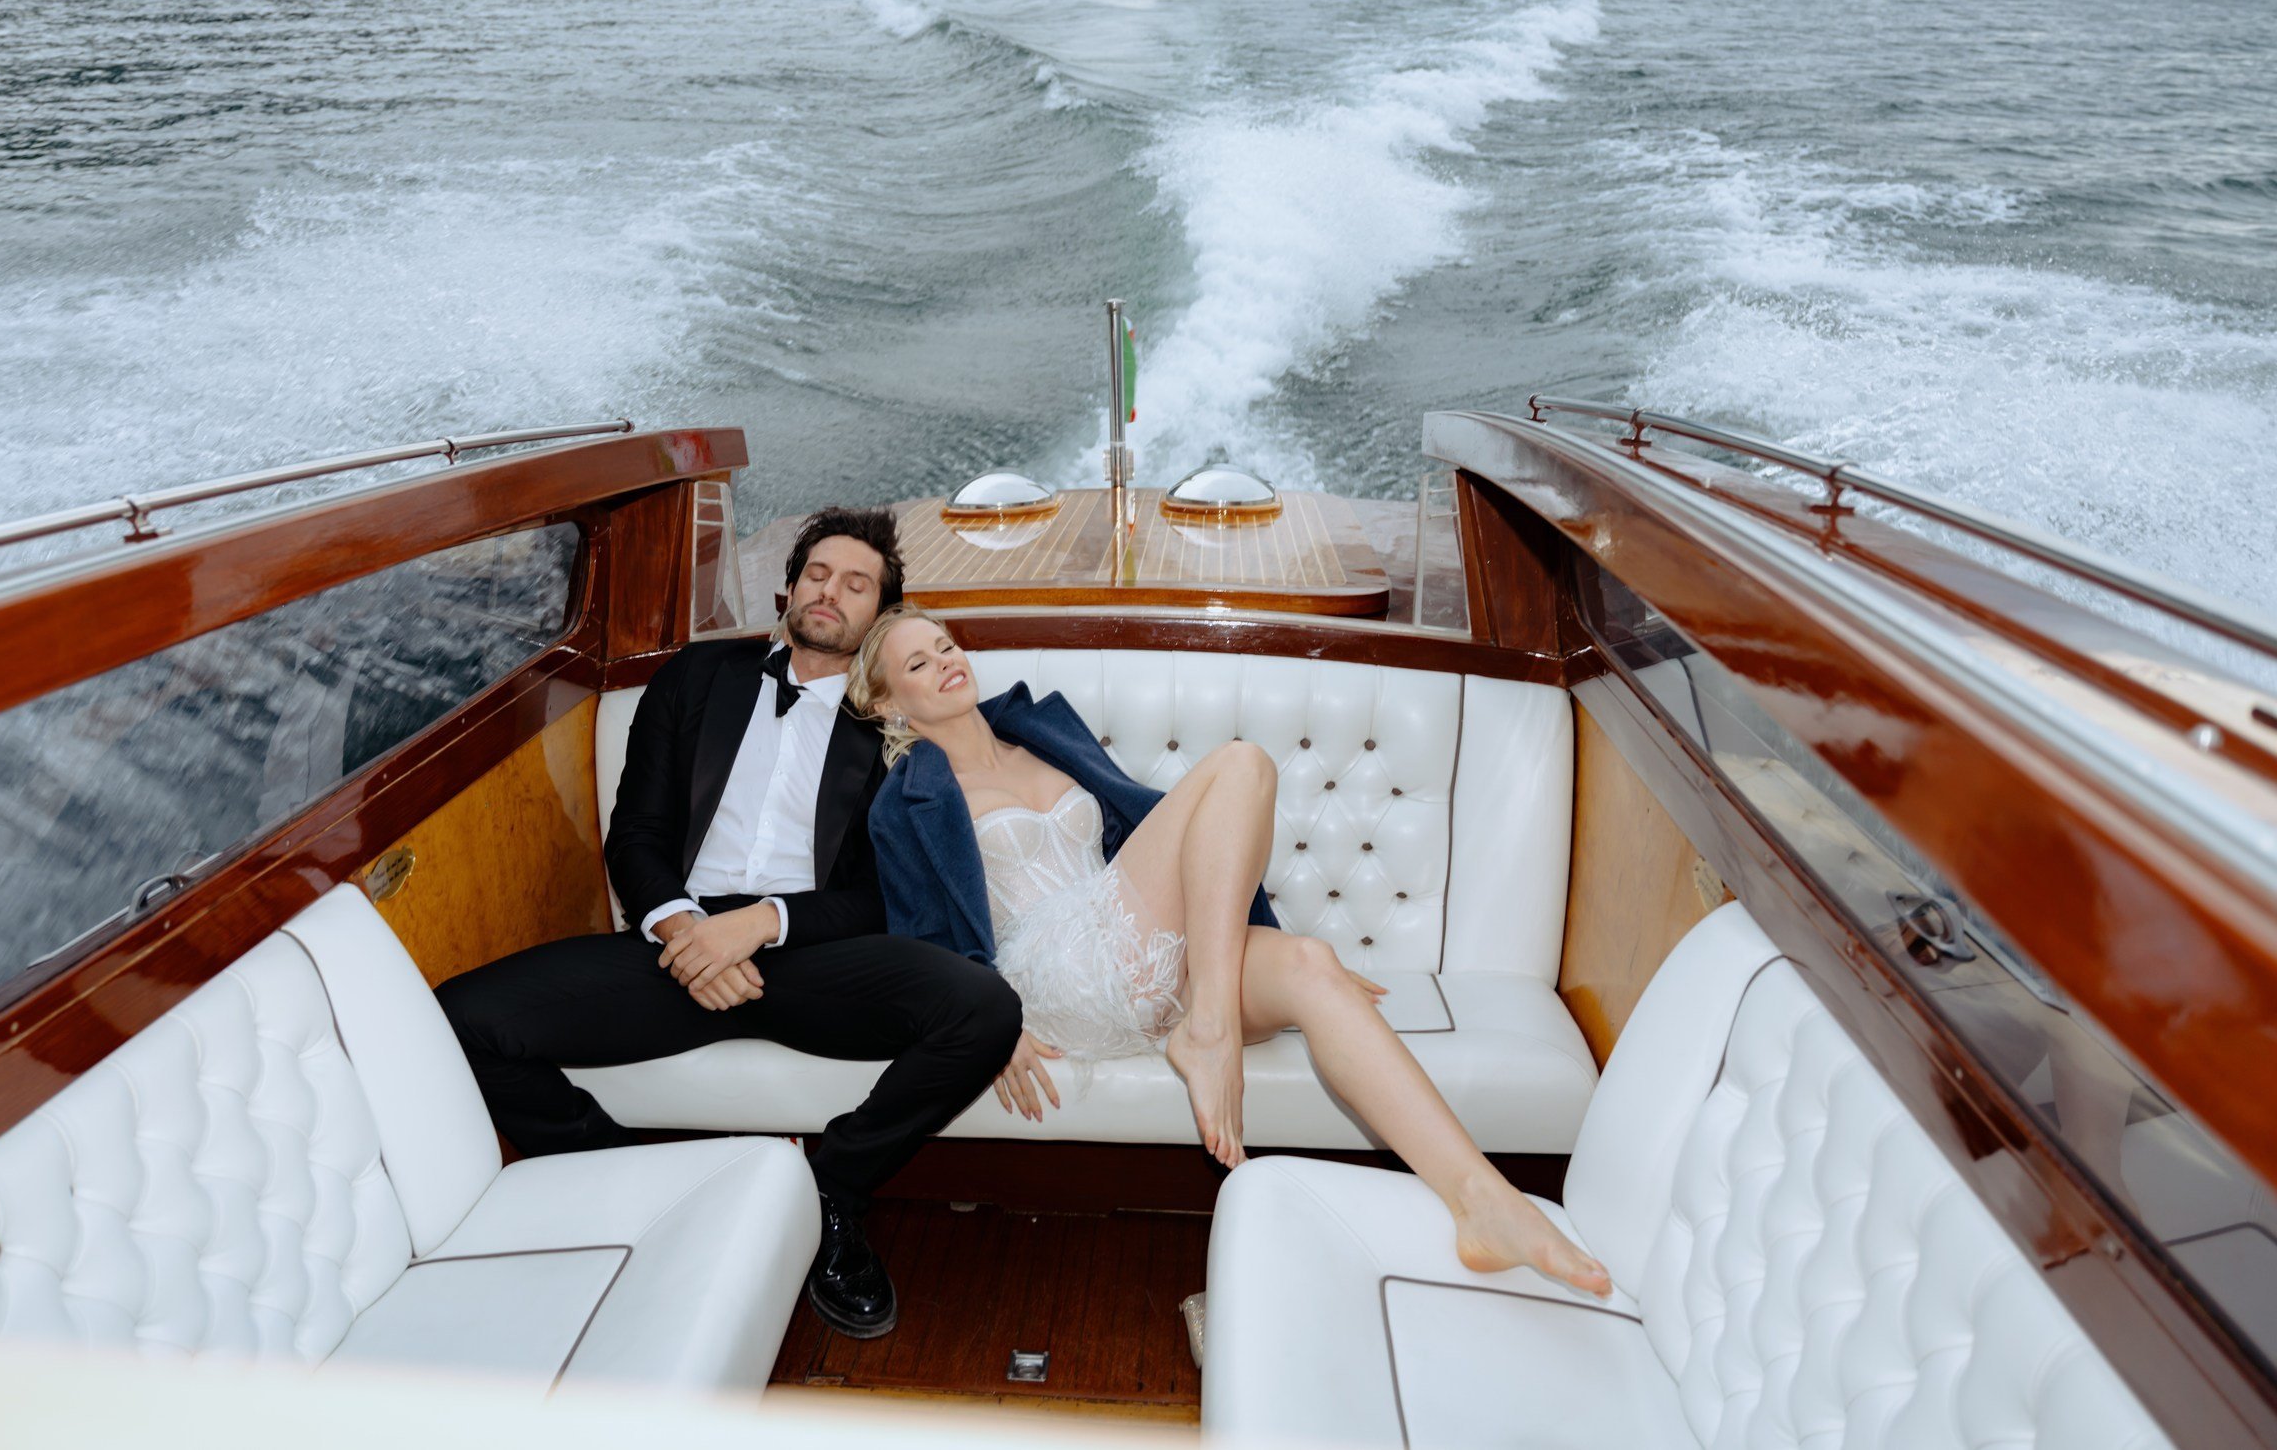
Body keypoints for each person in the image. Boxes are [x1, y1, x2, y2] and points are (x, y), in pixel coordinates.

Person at [850, 605, 1612, 1296]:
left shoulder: (1037, 728)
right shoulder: (905, 797)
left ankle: (1482, 1201)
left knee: (1311, 967)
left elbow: (1158, 842)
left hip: (1134, 939)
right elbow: (917, 939)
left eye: (947, 644)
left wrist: (1261, 943)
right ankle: (1210, 1029)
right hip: (1049, 973)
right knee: (1243, 761)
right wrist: (988, 1027)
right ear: (888, 703)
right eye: (917, 663)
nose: (946, 660)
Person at [434, 512, 1022, 1341]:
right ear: (790, 586)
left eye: (857, 584)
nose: (831, 591)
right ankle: (635, 1183)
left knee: (984, 1008)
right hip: (671, 945)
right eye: (819, 572)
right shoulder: (697, 675)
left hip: (813, 955)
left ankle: (832, 1197)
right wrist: (683, 932)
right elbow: (634, 831)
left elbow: (878, 894)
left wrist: (760, 925)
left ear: (880, 612)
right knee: (459, 1019)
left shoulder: (887, 719)